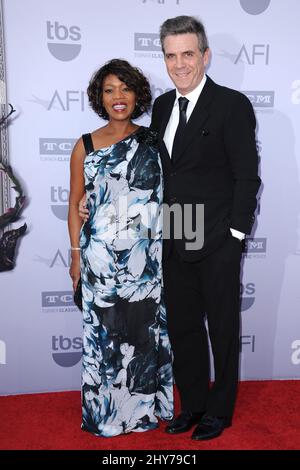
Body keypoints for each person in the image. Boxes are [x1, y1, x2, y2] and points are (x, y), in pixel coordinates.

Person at [149, 16, 261, 440]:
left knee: (223, 329)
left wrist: (235, 235)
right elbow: (157, 173)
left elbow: (247, 176)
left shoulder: (232, 105)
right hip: (174, 236)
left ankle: (220, 409)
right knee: (182, 329)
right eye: (171, 55)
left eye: (188, 54)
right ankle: (193, 404)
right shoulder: (161, 106)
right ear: (165, 58)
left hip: (216, 239)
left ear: (205, 55)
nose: (180, 64)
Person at [68, 58, 173, 437]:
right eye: (109, 89)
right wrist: (76, 259)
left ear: (137, 95)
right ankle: (105, 415)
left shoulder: (152, 140)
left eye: (125, 89)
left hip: (144, 261)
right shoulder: (84, 145)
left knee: (142, 338)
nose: (118, 97)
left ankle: (142, 413)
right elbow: (74, 205)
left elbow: (167, 195)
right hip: (99, 259)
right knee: (104, 342)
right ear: (100, 96)